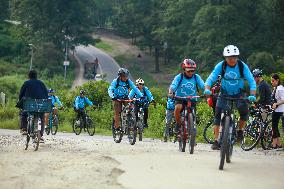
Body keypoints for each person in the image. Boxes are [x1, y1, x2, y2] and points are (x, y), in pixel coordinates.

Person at [204, 45, 256, 150]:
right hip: (224, 93)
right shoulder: (221, 66)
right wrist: (207, 89)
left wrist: (252, 95)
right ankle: (216, 140)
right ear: (225, 58)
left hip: (239, 93)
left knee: (244, 111)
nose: (232, 60)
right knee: (218, 113)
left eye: (234, 57)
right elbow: (210, 79)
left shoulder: (242, 66)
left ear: (237, 57)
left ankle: (240, 130)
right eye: (229, 58)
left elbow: (251, 81)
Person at [168, 58, 205, 134]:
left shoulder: (196, 77)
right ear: (184, 69)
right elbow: (173, 85)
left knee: (193, 114)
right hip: (180, 98)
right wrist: (171, 92)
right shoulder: (179, 77)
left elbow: (202, 85)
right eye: (189, 71)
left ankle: (192, 132)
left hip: (192, 99)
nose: (191, 73)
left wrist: (207, 91)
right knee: (177, 108)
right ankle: (178, 124)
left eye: (193, 70)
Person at [18, 69, 48, 139]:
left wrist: (20, 101)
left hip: (29, 103)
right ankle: (41, 135)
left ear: (29, 76)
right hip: (41, 104)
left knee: (23, 113)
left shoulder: (26, 83)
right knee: (42, 117)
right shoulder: (41, 83)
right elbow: (46, 94)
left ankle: (24, 129)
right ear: (36, 76)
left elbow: (21, 94)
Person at [270, 74, 284, 149]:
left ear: (277, 80)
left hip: (279, 110)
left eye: (273, 81)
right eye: (271, 81)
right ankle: (279, 144)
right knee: (274, 126)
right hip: (276, 109)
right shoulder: (276, 88)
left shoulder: (280, 88)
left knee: (274, 127)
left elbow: (283, 100)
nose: (272, 82)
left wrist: (276, 104)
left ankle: (274, 144)